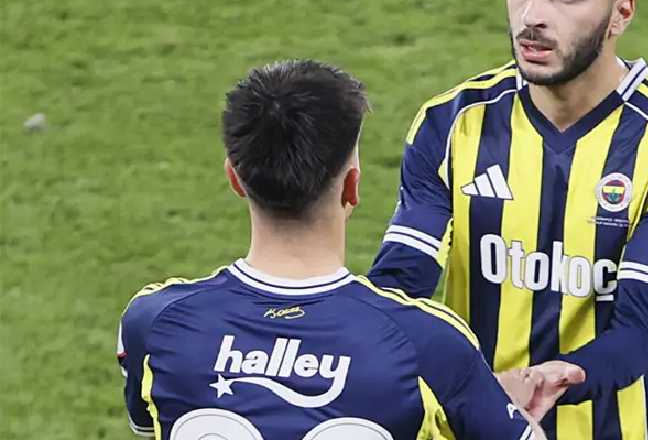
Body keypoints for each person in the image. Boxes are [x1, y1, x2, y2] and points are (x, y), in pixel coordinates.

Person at [368, 0, 648, 440]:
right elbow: (401, 284)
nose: (532, 16)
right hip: (479, 426)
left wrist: (549, 380)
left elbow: (639, 331)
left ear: (621, 13)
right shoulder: (453, 123)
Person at [117, 60, 547, 439]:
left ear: (235, 179)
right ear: (352, 186)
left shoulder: (152, 321)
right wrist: (485, 403)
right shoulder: (430, 344)